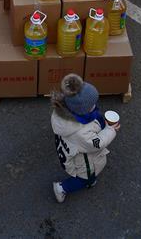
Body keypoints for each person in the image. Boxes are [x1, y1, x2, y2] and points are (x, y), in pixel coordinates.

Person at [50, 74, 119, 203]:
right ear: (83, 110)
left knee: (89, 176)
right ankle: (62, 188)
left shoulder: (63, 113)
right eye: (92, 105)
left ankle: (90, 180)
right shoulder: (81, 133)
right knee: (84, 177)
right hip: (83, 160)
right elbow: (97, 144)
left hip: (71, 148)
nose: (95, 105)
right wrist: (111, 130)